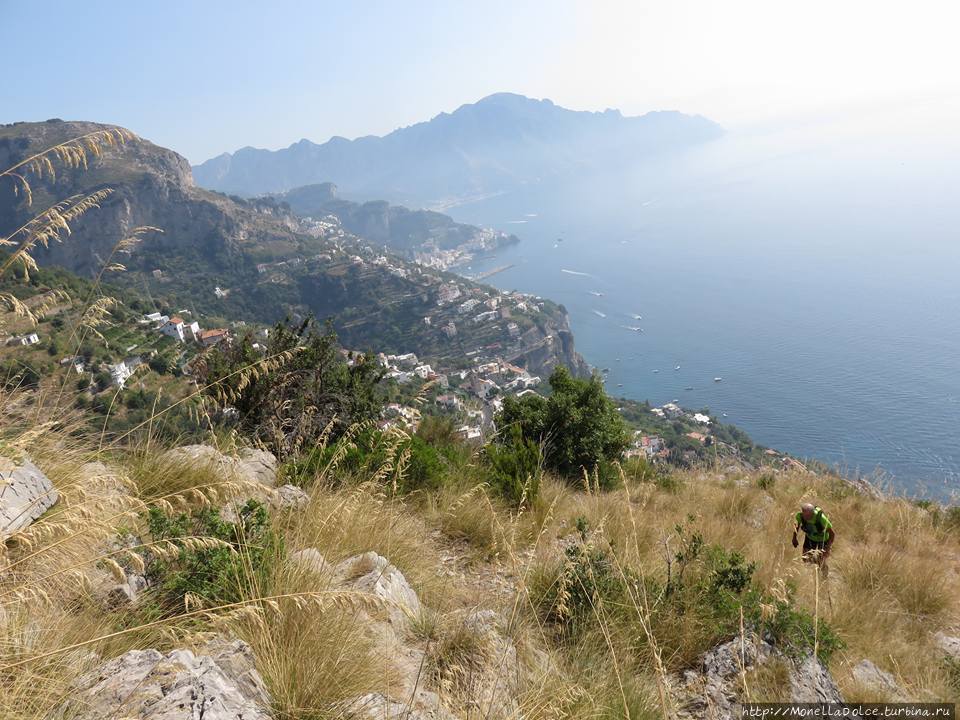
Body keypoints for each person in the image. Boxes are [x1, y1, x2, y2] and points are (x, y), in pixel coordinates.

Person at [792, 502, 835, 576]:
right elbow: (796, 526)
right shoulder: (800, 516)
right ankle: (815, 567)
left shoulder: (821, 518)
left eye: (809, 515)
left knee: (821, 560)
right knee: (805, 558)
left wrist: (828, 547)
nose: (807, 518)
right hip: (810, 538)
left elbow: (832, 534)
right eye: (805, 515)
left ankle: (824, 573)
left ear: (813, 512)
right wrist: (794, 538)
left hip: (823, 539)